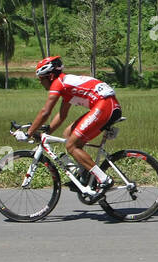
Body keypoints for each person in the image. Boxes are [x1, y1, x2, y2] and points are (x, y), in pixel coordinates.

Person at [25, 56, 119, 193]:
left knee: (71, 145)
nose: (40, 82)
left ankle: (104, 179)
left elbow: (46, 112)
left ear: (50, 76)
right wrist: (47, 132)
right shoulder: (67, 85)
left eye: (41, 79)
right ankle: (84, 176)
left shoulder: (59, 83)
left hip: (105, 106)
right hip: (106, 105)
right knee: (68, 134)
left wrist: (29, 133)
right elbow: (62, 115)